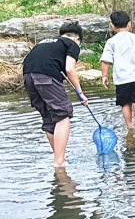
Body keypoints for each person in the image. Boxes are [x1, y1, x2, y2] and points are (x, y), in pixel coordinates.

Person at [21, 20, 90, 168]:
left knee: (50, 117)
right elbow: (70, 69)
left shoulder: (45, 42)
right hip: (46, 76)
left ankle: (60, 158)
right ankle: (59, 162)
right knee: (63, 115)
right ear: (77, 38)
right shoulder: (71, 44)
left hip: (27, 77)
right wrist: (80, 93)